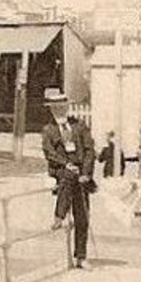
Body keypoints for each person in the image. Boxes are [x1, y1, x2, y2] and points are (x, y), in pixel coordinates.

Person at [42, 88, 96, 268]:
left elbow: (90, 151)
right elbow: (49, 153)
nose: (59, 110)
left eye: (62, 107)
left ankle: (81, 256)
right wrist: (66, 164)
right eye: (55, 107)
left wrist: (86, 173)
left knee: (82, 216)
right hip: (61, 170)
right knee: (68, 174)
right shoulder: (48, 130)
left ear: (67, 107)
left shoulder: (79, 126)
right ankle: (60, 215)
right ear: (51, 109)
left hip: (80, 174)